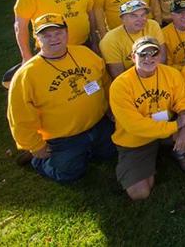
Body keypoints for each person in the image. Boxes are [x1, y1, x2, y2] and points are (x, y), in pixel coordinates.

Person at [7, 13, 115, 183]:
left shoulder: (84, 54)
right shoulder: (27, 75)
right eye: (46, 35)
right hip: (62, 138)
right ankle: (39, 160)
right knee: (70, 173)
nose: (53, 39)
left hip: (98, 124)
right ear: (36, 37)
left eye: (58, 33)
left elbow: (105, 82)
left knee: (113, 152)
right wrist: (36, 147)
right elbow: (18, 118)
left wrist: (110, 108)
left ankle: (85, 150)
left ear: (67, 33)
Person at [109, 37, 185, 200]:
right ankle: (147, 160)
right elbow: (134, 126)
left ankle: (180, 152)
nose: (149, 58)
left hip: (166, 127)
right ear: (133, 57)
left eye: (154, 53)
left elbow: (184, 103)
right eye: (143, 54)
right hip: (137, 139)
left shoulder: (171, 73)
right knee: (140, 193)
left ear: (160, 55)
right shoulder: (120, 85)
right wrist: (176, 126)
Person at [99, 0, 166, 78]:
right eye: (134, 16)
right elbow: (118, 74)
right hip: (130, 81)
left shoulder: (153, 25)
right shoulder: (110, 40)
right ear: (122, 18)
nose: (140, 19)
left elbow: (162, 57)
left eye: (143, 15)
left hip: (156, 74)